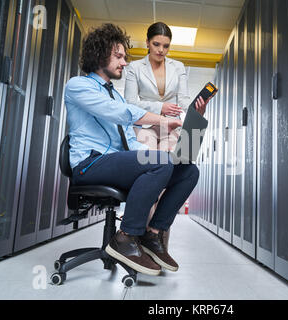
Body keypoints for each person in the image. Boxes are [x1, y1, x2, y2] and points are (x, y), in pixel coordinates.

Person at [64, 24, 205, 276]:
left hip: (114, 162)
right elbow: (120, 112)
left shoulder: (115, 96)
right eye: (118, 56)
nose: (124, 63)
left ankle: (153, 234)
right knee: (160, 162)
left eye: (124, 57)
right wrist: (161, 120)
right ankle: (126, 236)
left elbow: (130, 141)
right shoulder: (78, 86)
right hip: (89, 164)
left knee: (188, 171)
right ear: (99, 55)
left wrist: (171, 159)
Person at [124, 22, 209, 248]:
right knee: (150, 174)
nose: (161, 50)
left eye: (166, 46)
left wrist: (197, 109)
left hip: (171, 127)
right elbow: (131, 103)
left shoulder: (178, 67)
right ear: (148, 43)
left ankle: (158, 243)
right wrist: (159, 108)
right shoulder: (134, 68)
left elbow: (182, 102)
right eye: (156, 44)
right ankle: (136, 241)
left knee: (169, 179)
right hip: (146, 126)